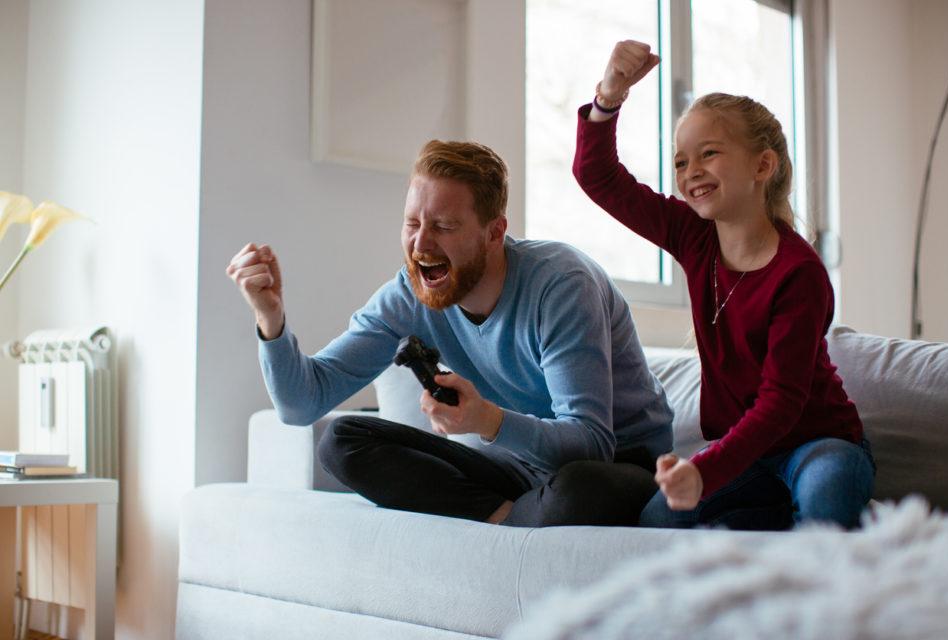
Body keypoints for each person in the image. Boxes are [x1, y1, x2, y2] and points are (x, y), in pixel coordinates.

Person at [227, 139, 673, 527]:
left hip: (619, 464)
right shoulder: (409, 293)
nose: (421, 245)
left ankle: (510, 517)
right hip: (518, 471)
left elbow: (591, 445)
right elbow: (300, 404)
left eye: (443, 226)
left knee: (578, 487)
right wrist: (271, 319)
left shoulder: (560, 285)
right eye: (412, 224)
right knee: (342, 442)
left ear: (494, 232)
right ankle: (510, 519)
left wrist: (487, 421)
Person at [572, 40, 875, 529]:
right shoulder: (692, 236)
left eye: (708, 154)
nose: (691, 172)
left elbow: (780, 404)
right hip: (747, 455)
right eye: (680, 162)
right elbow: (598, 176)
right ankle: (771, 516)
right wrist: (609, 97)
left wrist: (705, 472)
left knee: (826, 495)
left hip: (818, 444)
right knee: (657, 523)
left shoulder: (800, 272)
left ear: (762, 166)